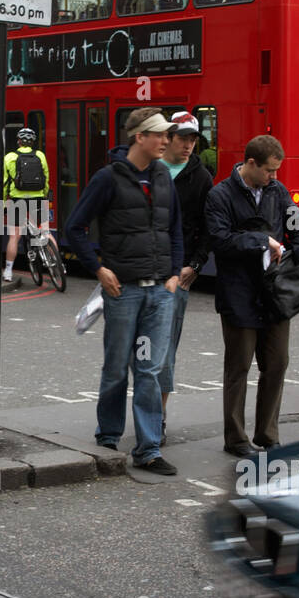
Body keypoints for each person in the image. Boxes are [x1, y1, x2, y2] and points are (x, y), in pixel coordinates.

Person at [65, 108, 183, 477]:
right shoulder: (108, 179)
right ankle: (108, 438)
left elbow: (176, 229)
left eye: (167, 135)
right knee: (116, 369)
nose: (166, 141)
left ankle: (148, 449)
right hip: (124, 293)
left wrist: (175, 275)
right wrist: (99, 270)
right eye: (160, 135)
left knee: (149, 371)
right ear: (139, 137)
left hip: (160, 294)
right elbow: (75, 227)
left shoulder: (164, 176)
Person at [204, 134, 299, 459]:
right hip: (238, 292)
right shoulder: (220, 195)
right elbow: (221, 241)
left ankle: (267, 435)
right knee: (238, 367)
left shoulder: (277, 193)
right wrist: (263, 240)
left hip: (274, 292)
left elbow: (298, 228)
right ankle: (236, 439)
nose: (275, 177)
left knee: (277, 363)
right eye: (269, 170)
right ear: (250, 164)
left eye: (277, 170)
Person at [158, 112, 214, 441]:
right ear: (168, 137)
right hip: (142, 271)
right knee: (134, 349)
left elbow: (208, 228)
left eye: (194, 139)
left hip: (178, 273)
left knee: (165, 350)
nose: (189, 145)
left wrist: (196, 263)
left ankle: (158, 416)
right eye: (183, 138)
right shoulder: (149, 169)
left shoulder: (201, 177)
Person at [3, 127, 49, 284]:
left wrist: (3, 202)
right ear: (33, 142)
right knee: (45, 231)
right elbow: (46, 178)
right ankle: (55, 261)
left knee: (14, 236)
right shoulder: (40, 155)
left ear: (18, 141)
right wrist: (44, 194)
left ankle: (8, 270)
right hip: (38, 198)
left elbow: (4, 183)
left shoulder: (10, 157)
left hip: (18, 199)